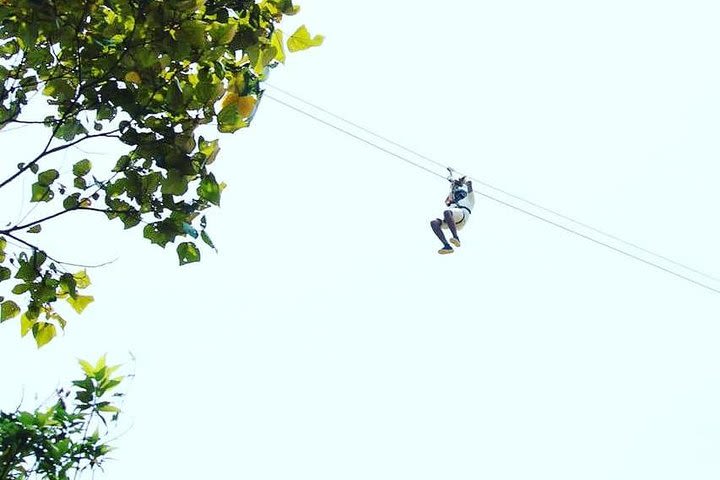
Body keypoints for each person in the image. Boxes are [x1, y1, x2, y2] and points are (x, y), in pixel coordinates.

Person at [430, 176, 474, 254]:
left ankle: (456, 237)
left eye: (460, 195)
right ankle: (447, 246)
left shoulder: (469, 199)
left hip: (462, 216)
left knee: (447, 212)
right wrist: (454, 185)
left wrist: (463, 181)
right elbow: (447, 201)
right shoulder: (453, 203)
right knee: (434, 222)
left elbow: (469, 184)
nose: (458, 196)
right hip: (451, 219)